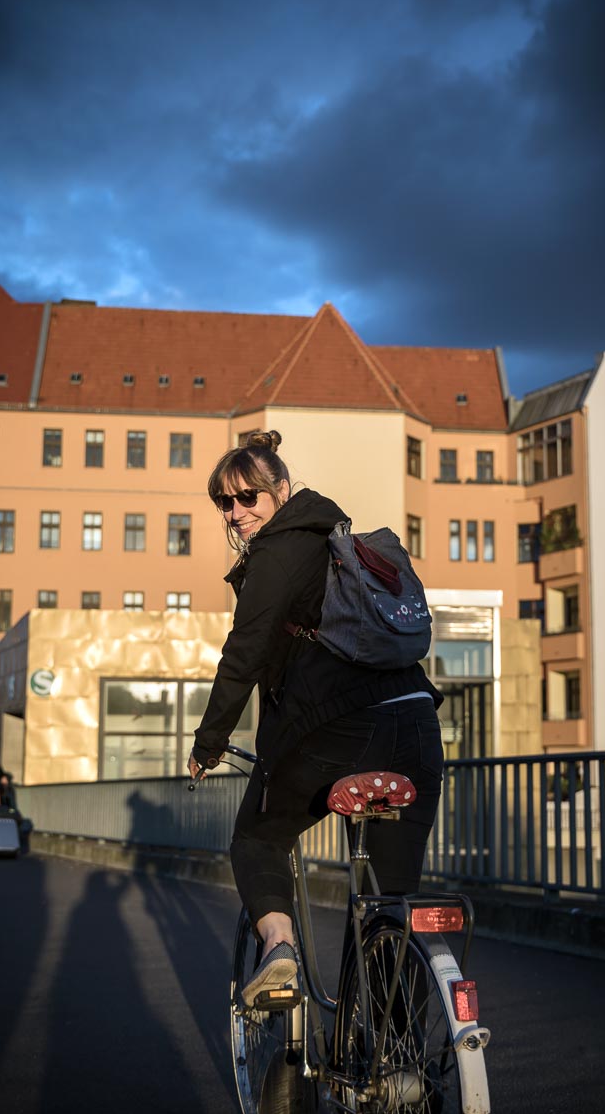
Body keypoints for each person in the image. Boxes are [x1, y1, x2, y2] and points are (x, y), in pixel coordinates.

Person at [187, 431, 444, 1006]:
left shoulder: (280, 551)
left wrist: (209, 743)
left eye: (248, 497)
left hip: (342, 731)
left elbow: (245, 654)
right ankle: (395, 1054)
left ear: (281, 490)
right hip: (417, 726)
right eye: (224, 502)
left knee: (257, 837)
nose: (236, 512)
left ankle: (280, 950)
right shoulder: (337, 545)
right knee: (387, 904)